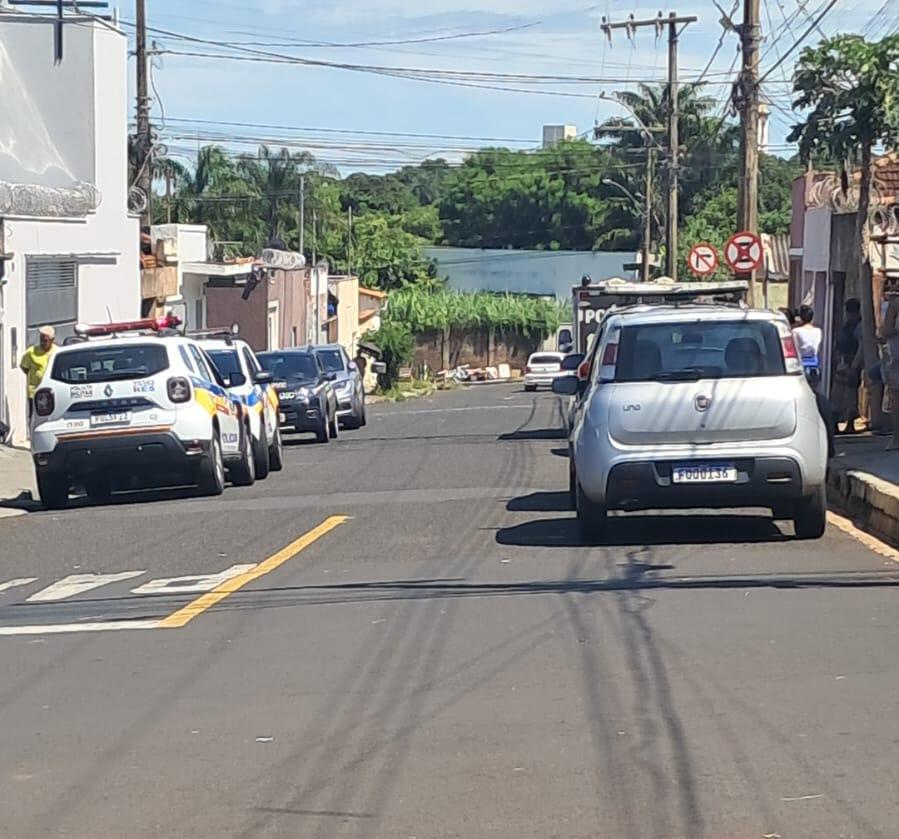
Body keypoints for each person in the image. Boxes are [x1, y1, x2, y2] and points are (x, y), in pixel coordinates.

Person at [832, 299, 863, 434]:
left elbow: (861, 347)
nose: (849, 315)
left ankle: (850, 423)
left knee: (850, 395)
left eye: (851, 312)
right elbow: (837, 344)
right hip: (842, 363)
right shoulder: (845, 326)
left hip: (852, 362)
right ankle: (834, 423)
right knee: (837, 394)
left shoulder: (860, 327)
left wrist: (855, 365)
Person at [19, 325, 57, 420]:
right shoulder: (31, 352)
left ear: (52, 340)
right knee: (34, 417)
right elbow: (24, 367)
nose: (42, 343)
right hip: (35, 392)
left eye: (45, 341)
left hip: (53, 392)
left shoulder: (57, 351)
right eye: (41, 340)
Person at [880, 292, 899, 450]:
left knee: (895, 399)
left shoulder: (894, 305)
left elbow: (886, 330)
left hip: (896, 358)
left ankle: (896, 439)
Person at [792, 304, 823, 373]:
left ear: (800, 318)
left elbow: (794, 348)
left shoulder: (796, 331)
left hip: (801, 364)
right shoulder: (818, 331)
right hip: (814, 364)